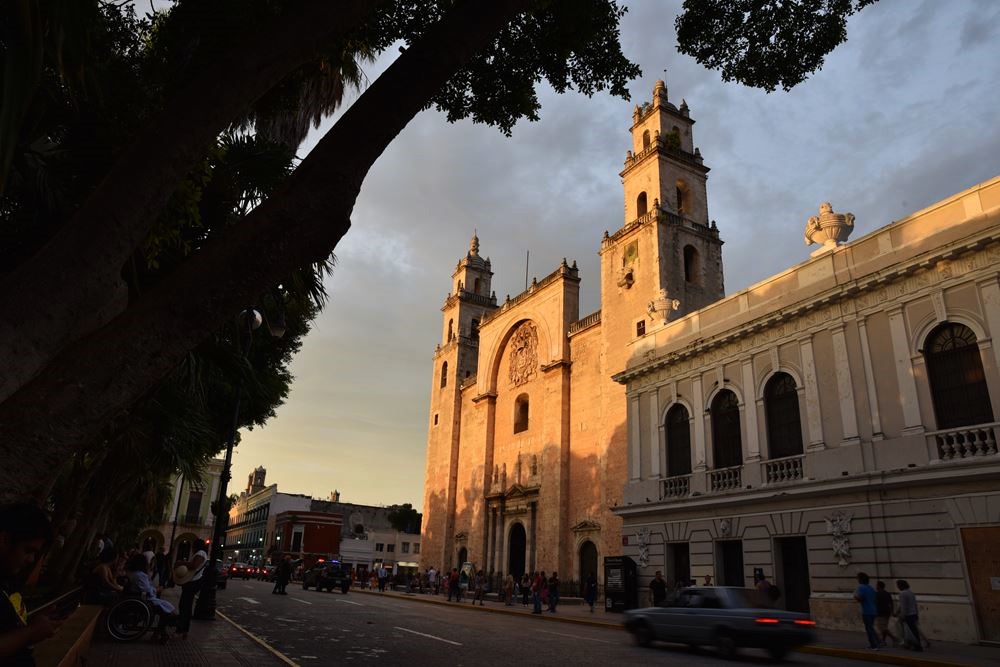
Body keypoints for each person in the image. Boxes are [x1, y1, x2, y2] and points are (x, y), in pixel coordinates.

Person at [0, 503, 59, 667]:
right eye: (28, 550)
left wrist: (30, 622)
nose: (31, 560)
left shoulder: (7, 578)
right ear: (4, 540)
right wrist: (30, 632)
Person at [125, 553, 177, 641]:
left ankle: (159, 633)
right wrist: (157, 589)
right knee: (167, 612)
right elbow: (147, 590)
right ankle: (159, 633)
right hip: (144, 600)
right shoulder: (140, 575)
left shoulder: (135, 573)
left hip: (141, 598)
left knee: (168, 609)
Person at [173, 539, 207, 639]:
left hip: (193, 582)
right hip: (193, 582)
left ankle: (181, 629)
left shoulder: (201, 553)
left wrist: (181, 563)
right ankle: (184, 630)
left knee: (184, 606)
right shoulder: (201, 553)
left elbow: (194, 565)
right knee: (185, 606)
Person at [896, 580, 927, 651]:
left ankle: (916, 645)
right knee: (914, 631)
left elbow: (903, 606)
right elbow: (915, 604)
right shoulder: (911, 592)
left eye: (898, 585)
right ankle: (913, 644)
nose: (898, 587)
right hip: (913, 614)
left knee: (908, 631)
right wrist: (917, 614)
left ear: (901, 586)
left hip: (908, 615)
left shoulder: (902, 593)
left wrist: (902, 615)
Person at [853, 572, 880, 650]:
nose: (857, 580)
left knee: (869, 628)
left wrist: (855, 596)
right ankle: (878, 642)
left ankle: (874, 645)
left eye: (858, 578)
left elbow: (860, 598)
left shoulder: (861, 587)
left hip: (867, 611)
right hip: (873, 610)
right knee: (871, 627)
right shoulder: (871, 588)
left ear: (860, 579)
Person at [875, 581, 899, 647]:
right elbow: (891, 603)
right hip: (887, 613)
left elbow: (875, 603)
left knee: (882, 628)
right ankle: (883, 641)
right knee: (884, 627)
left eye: (876, 586)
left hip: (880, 613)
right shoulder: (887, 594)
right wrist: (892, 611)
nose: (876, 587)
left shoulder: (877, 594)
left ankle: (894, 638)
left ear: (879, 586)